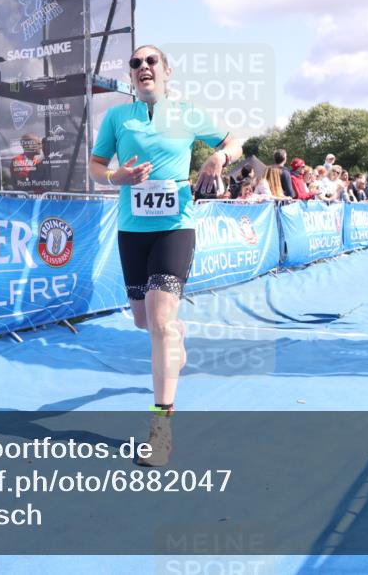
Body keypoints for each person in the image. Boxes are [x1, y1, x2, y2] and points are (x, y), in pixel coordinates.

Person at [89, 44, 242, 467]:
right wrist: (114, 176)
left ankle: (161, 428)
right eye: (135, 63)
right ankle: (174, 338)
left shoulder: (189, 112)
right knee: (145, 321)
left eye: (150, 61)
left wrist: (217, 156)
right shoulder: (118, 117)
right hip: (131, 230)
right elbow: (96, 165)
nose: (142, 68)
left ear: (167, 71)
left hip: (175, 227)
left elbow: (237, 144)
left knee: (158, 321)